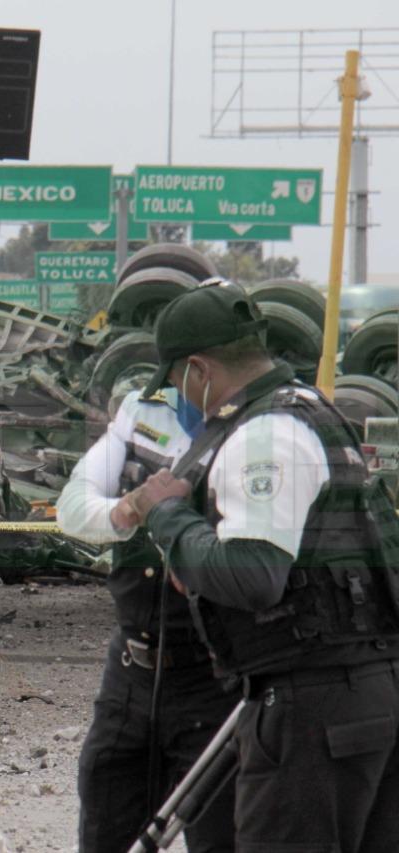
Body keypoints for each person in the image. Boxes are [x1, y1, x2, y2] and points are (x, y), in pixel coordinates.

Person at [128, 279, 399, 851]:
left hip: (312, 707)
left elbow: (253, 575)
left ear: (198, 369)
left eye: (176, 382)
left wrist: (169, 518)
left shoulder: (262, 437)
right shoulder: (312, 413)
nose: (179, 394)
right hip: (363, 691)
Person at [59, 380, 235, 853]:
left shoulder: (261, 424)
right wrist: (130, 508)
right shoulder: (144, 411)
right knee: (106, 823)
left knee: (223, 834)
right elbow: (72, 509)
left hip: (216, 679)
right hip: (131, 675)